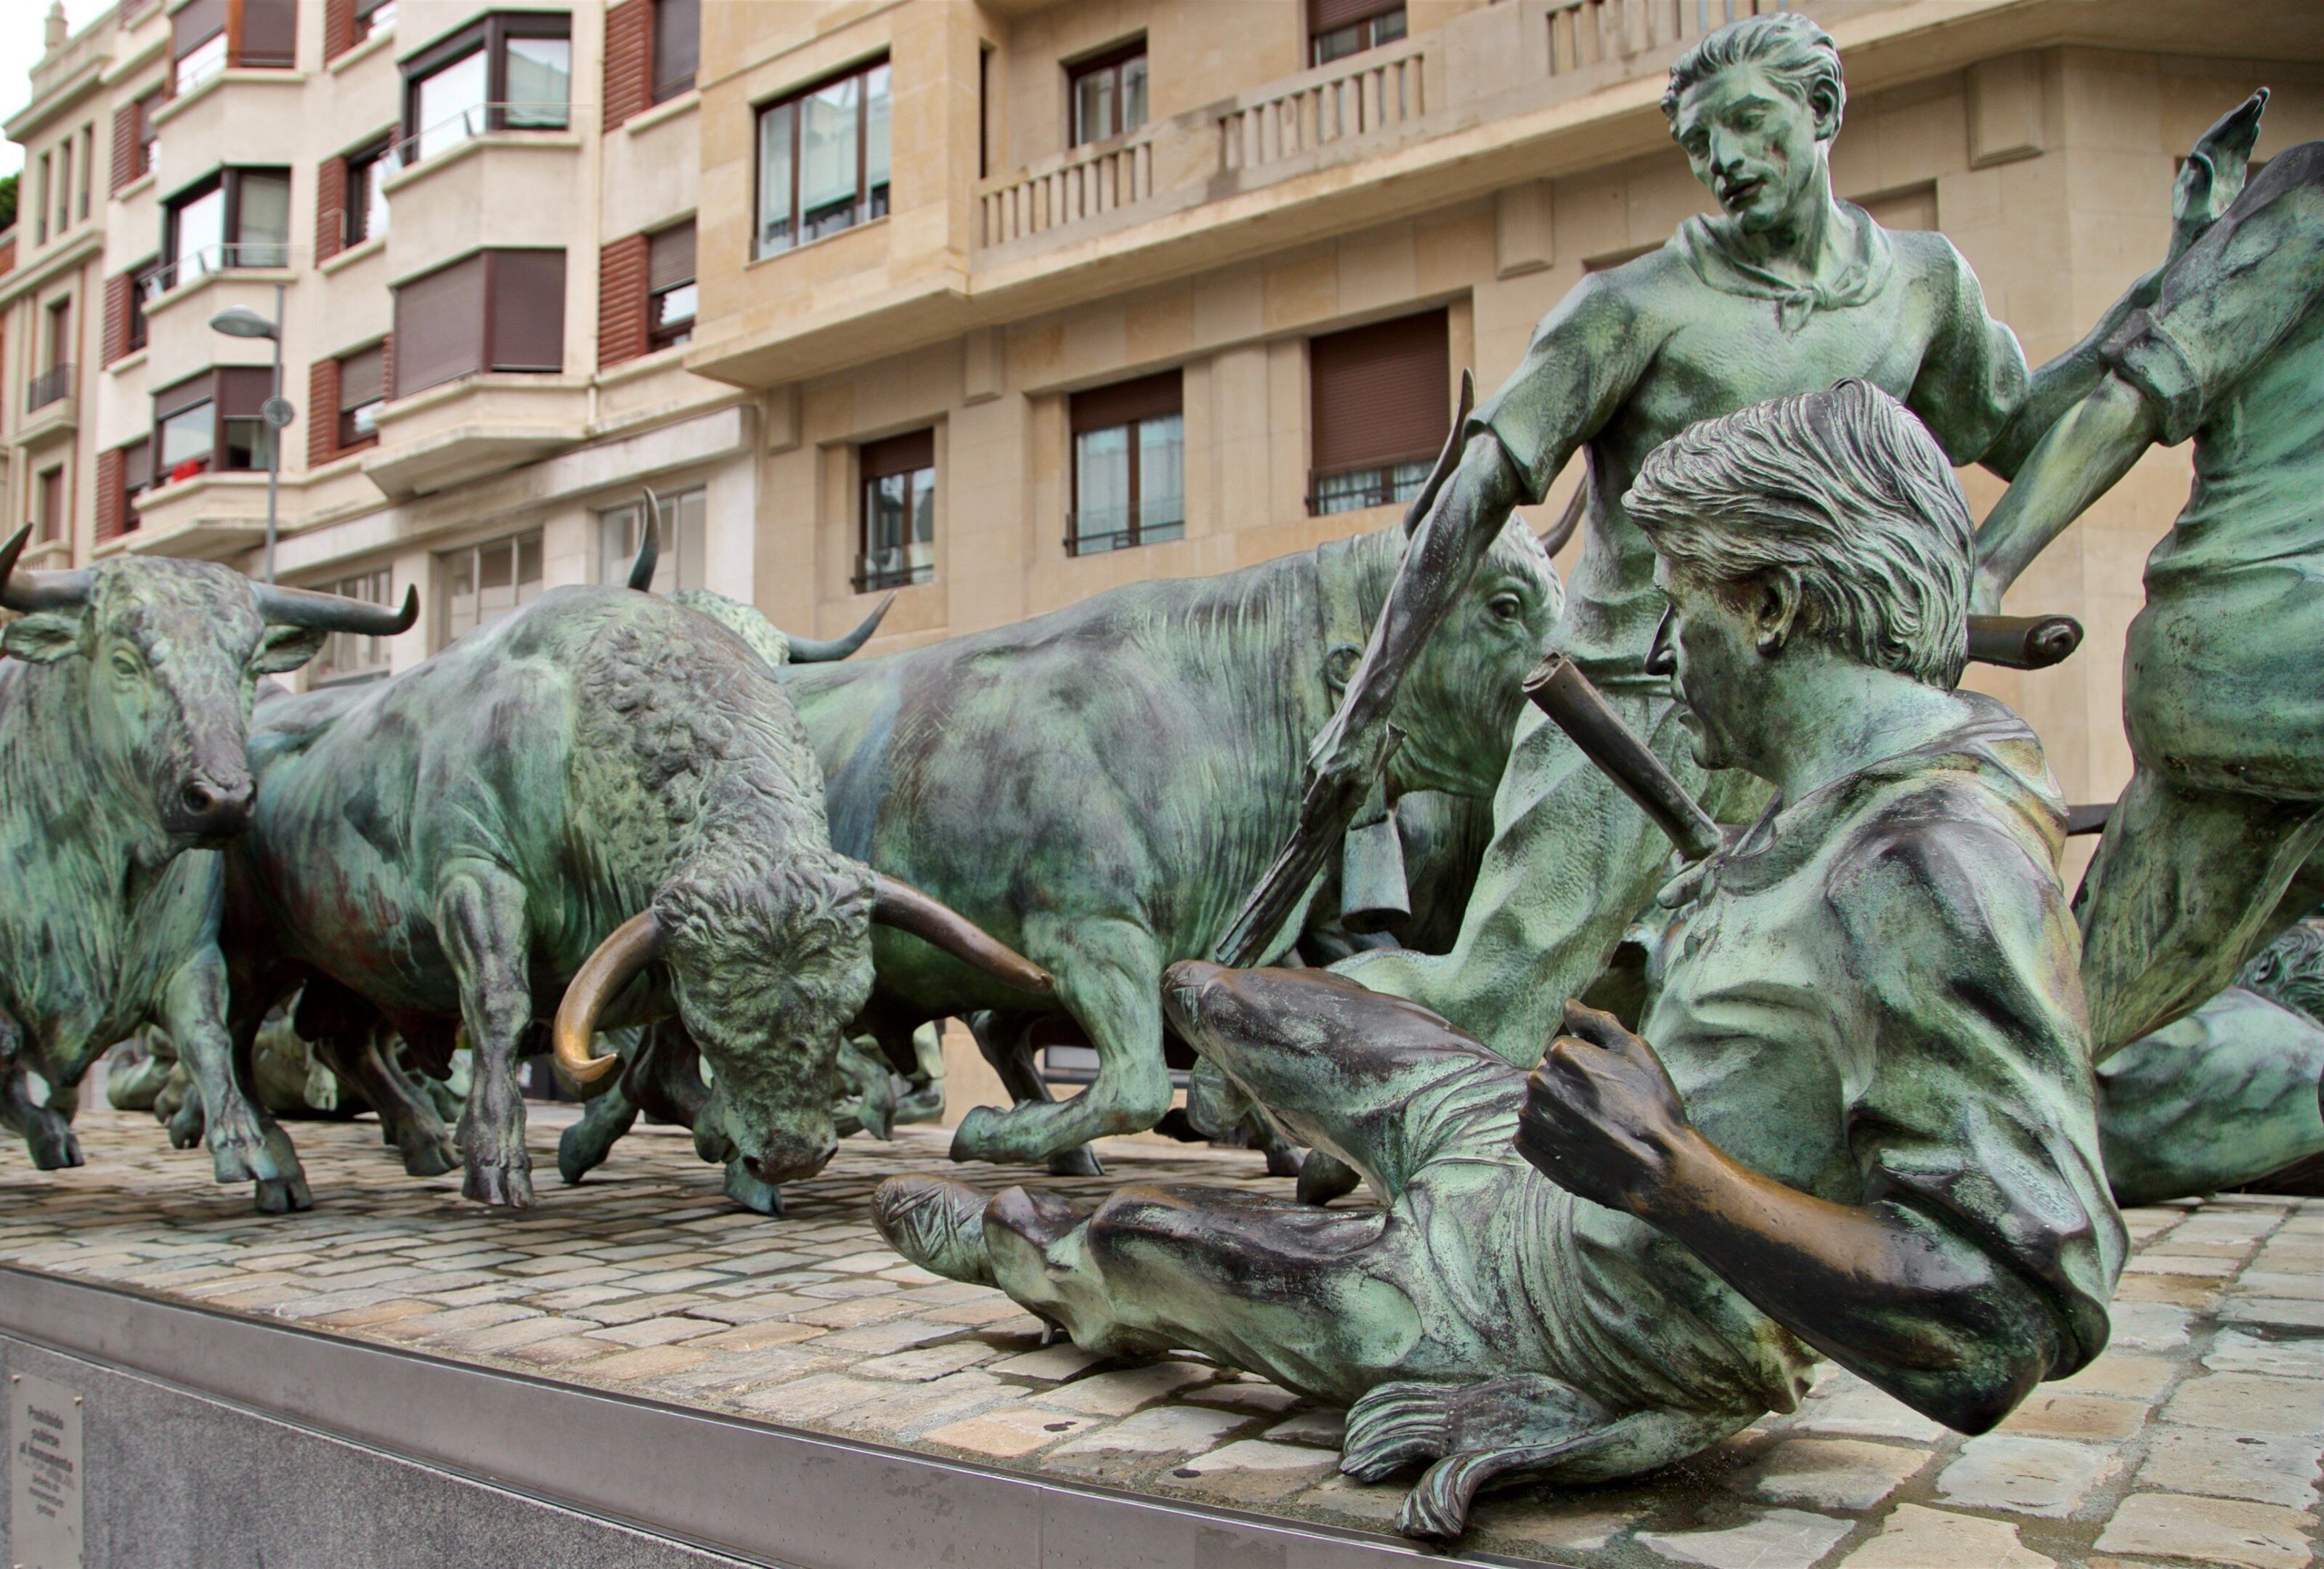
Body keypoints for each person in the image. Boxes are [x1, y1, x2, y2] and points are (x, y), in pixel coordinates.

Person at [875, 383, 2120, 1541]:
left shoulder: (1928, 864)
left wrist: (1669, 1174)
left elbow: (2006, 1322)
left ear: (1776, 609)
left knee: (1152, 1242)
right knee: (1227, 999)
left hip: (1581, 1307)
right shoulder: (1826, 804)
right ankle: (1250, 1090)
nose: (1665, 661)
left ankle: (1010, 1243)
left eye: (1681, 612)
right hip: (1526, 1163)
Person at [1238, 11, 2162, 1066]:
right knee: (1498, 996)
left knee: (1788, 1006)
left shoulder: (1922, 287)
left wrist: (2162, 309)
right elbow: (1474, 490)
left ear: (1821, 113)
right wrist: (1370, 706)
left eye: (1750, 126)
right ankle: (1274, 1050)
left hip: (1815, 719)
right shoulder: (1634, 307)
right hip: (1624, 715)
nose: (1724, 161)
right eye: (1701, 144)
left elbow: (2024, 427)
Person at [1971, 105, 2324, 1053]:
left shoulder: (2307, 214)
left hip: (2266, 678)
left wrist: (1985, 563)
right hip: (2265, 685)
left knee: (2066, 1028)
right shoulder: (2291, 218)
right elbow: (2031, 425)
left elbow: (2128, 403)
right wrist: (2193, 254)